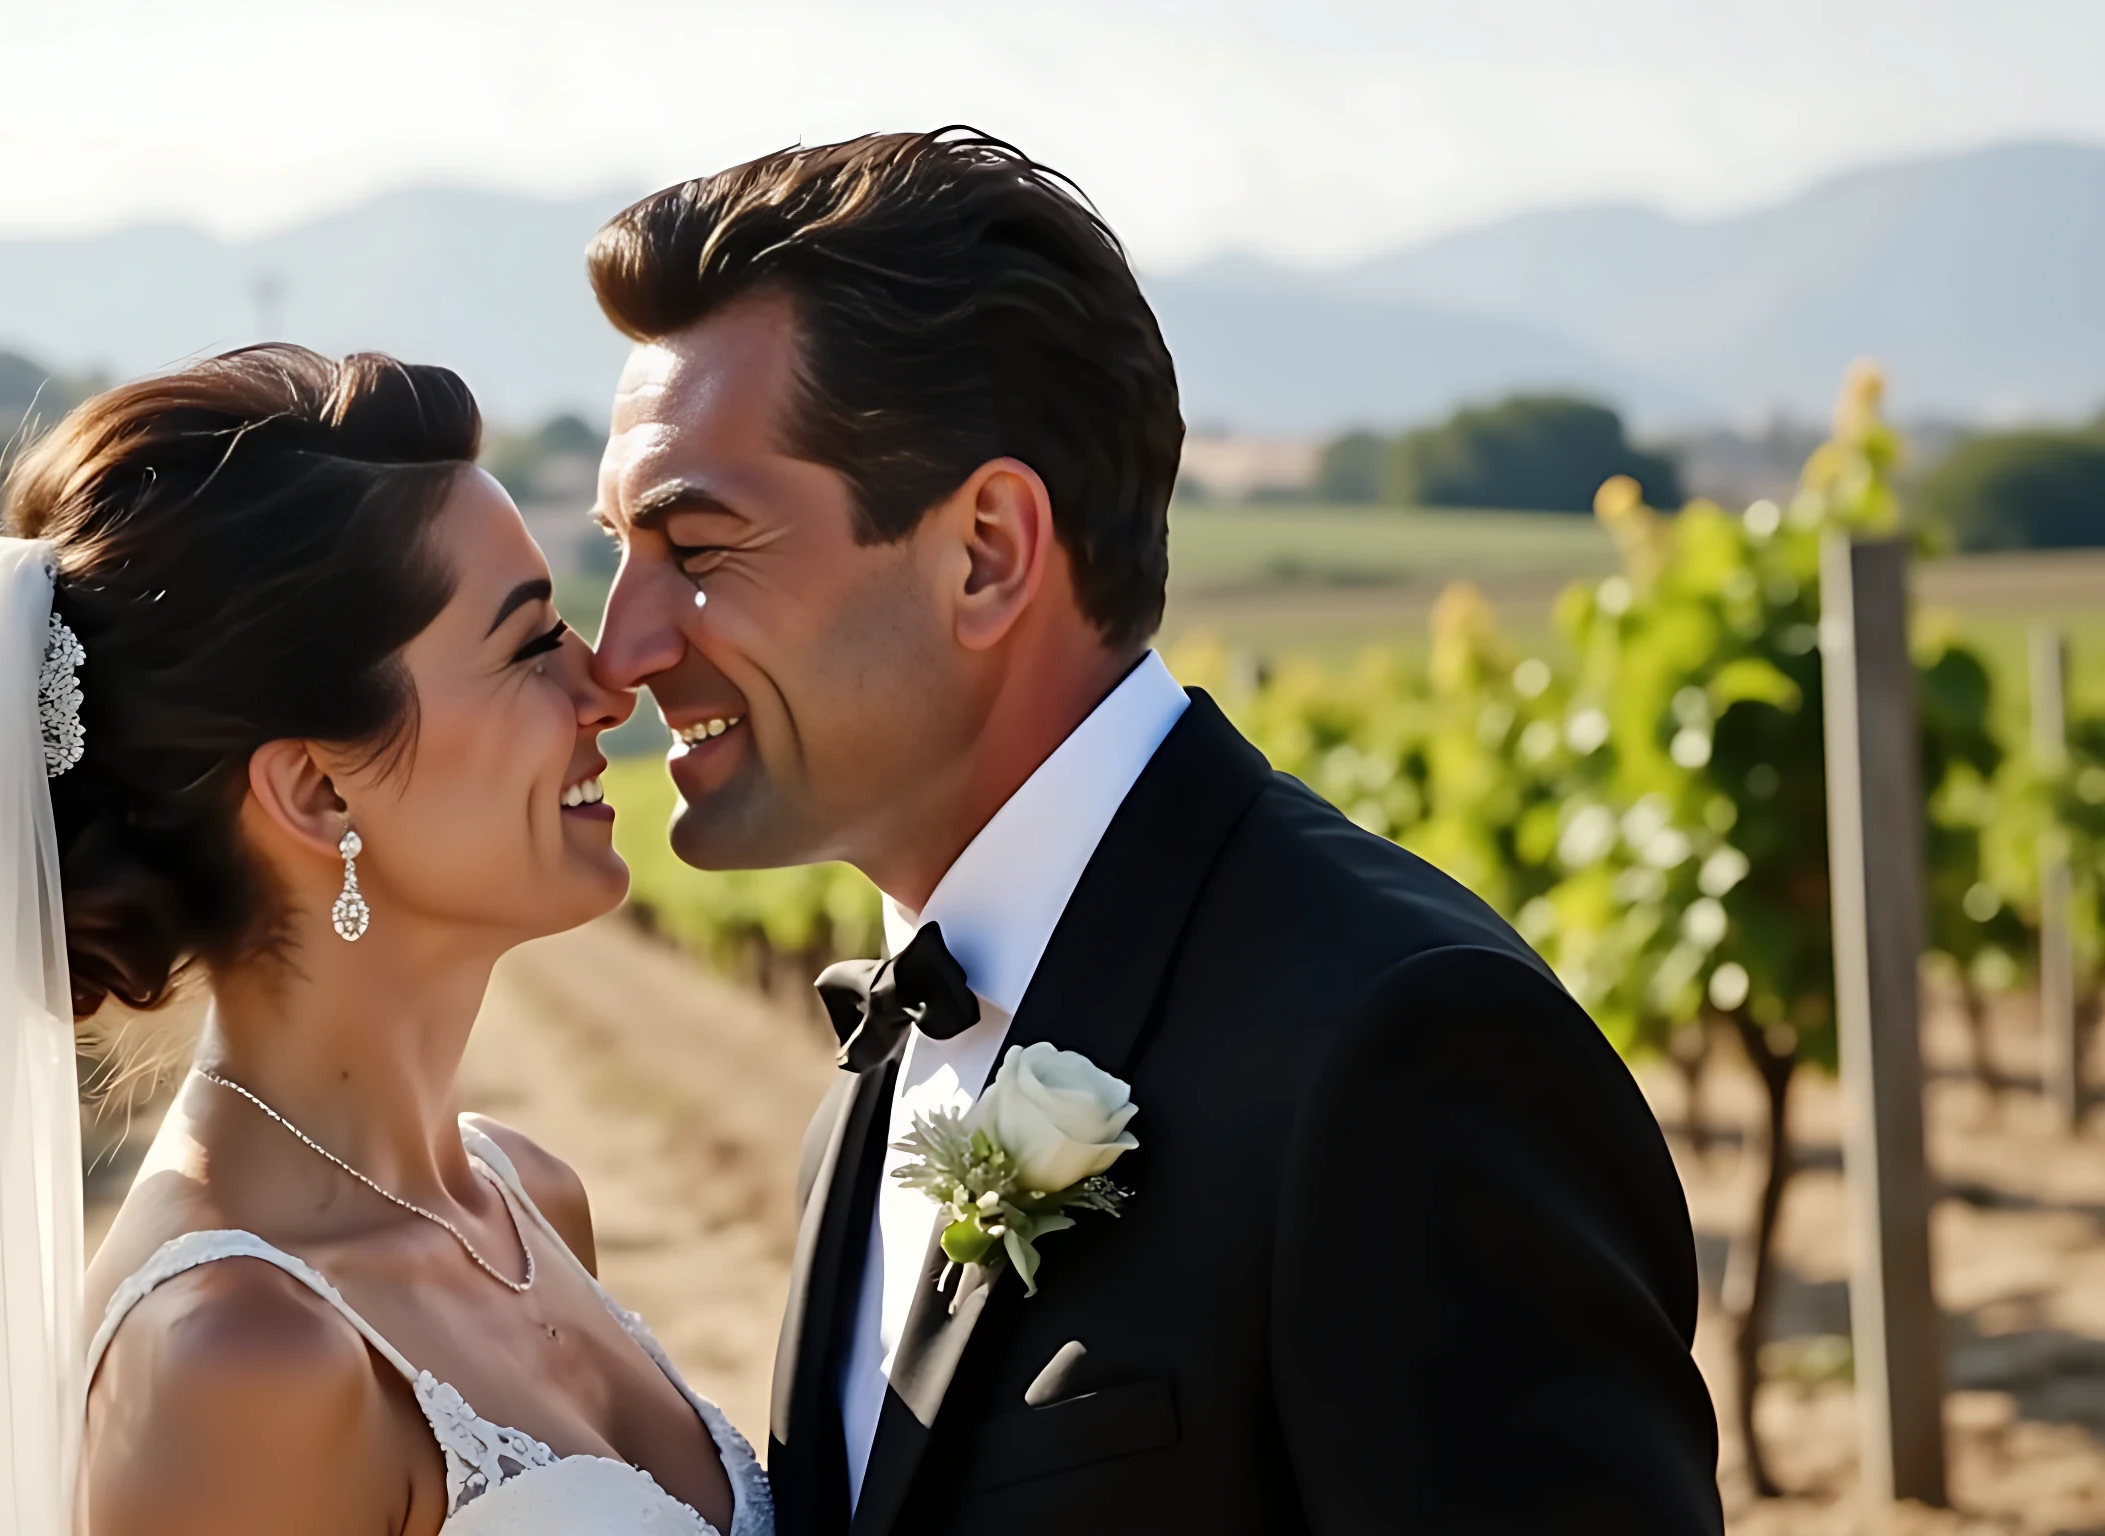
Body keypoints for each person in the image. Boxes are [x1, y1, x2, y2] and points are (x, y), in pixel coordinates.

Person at [586, 130, 1723, 1534]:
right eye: (617, 555)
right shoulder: (873, 1089)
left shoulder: (1403, 1048)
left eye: (695, 553)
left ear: (988, 550)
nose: (621, 649)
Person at [0, 347, 772, 1536]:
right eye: (530, 643)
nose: (605, 688)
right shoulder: (234, 1359)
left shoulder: (527, 1199)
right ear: (316, 793)